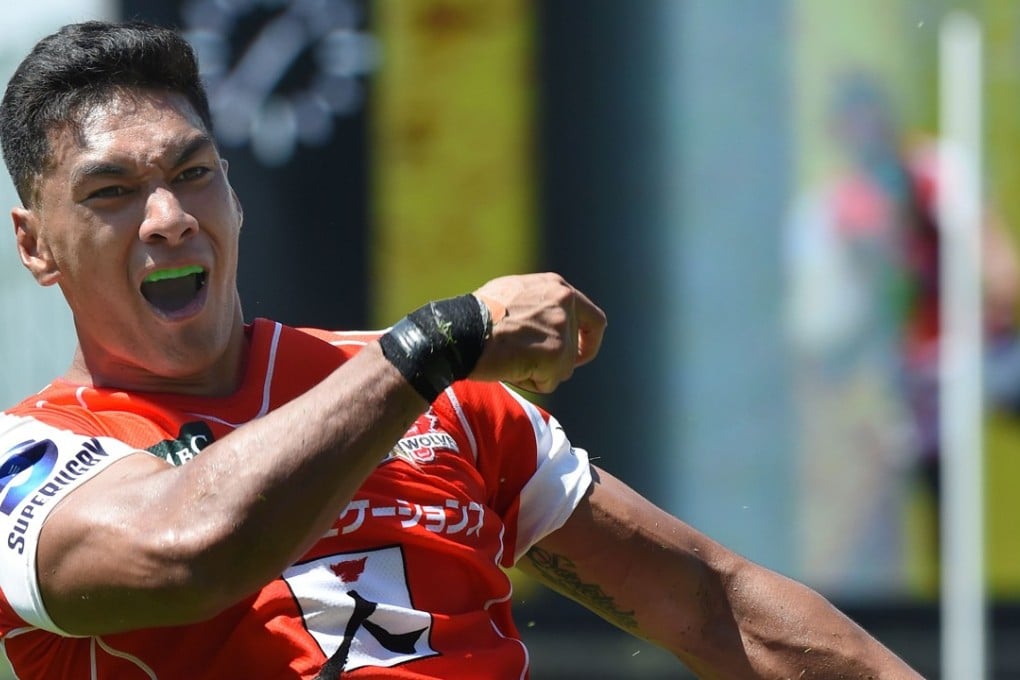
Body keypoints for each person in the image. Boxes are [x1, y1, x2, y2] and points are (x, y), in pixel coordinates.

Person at [0, 20, 921, 679]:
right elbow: (187, 554)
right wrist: (435, 345)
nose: (168, 218)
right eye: (111, 191)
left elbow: (713, 607)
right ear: (34, 244)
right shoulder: (31, 461)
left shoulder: (441, 399)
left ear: (232, 199)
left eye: (194, 174)